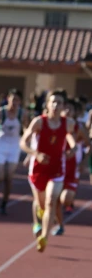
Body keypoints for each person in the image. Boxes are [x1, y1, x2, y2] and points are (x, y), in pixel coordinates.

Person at [20, 89, 76, 253]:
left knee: (52, 201)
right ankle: (39, 212)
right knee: (42, 204)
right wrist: (35, 154)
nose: (56, 105)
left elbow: (70, 138)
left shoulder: (68, 123)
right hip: (38, 169)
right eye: (53, 102)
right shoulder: (39, 122)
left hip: (57, 168)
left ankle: (44, 236)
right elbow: (23, 142)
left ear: (63, 106)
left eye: (59, 102)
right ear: (48, 105)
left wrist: (72, 149)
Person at [0, 89, 27, 215]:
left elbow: (26, 129)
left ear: (20, 102)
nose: (14, 102)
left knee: (9, 177)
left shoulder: (22, 114)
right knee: (0, 177)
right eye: (12, 99)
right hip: (1, 145)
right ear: (8, 99)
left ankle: (4, 202)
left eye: (17, 100)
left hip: (14, 146)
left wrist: (27, 144)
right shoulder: (0, 112)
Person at [53, 98, 90, 235]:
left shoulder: (78, 127)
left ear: (76, 112)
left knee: (66, 198)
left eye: (71, 109)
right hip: (56, 167)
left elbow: (89, 146)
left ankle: (60, 215)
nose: (67, 111)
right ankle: (60, 224)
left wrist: (83, 162)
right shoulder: (54, 124)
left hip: (72, 168)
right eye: (66, 108)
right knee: (54, 198)